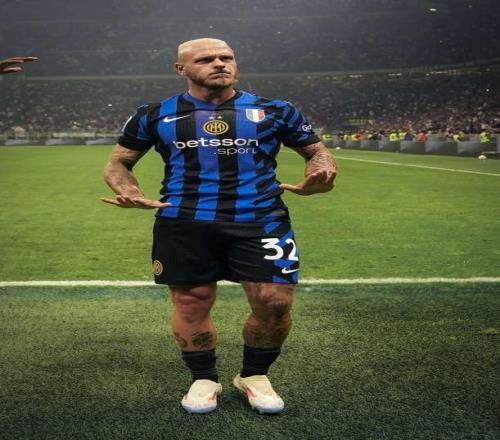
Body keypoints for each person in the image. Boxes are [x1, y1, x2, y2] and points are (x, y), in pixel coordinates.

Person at [101, 38, 336, 415]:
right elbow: (119, 162)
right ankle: (204, 378)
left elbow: (316, 151)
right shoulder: (154, 114)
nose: (220, 63)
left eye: (227, 57)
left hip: (260, 218)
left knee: (275, 302)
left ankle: (254, 375)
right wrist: (128, 191)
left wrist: (321, 172)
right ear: (181, 69)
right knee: (190, 301)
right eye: (206, 59)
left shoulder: (276, 110)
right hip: (184, 221)